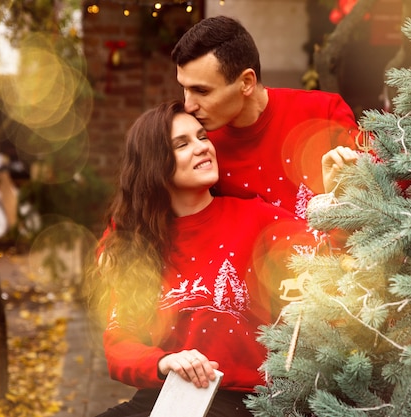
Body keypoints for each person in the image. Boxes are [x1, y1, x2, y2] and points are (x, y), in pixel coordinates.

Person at [87, 100, 319, 417]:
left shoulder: (258, 220)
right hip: (165, 395)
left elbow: (329, 256)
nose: (201, 148)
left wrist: (339, 184)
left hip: (243, 401)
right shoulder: (135, 245)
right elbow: (119, 344)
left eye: (202, 137)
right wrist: (162, 361)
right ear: (156, 163)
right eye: (182, 144)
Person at [170, 15, 359, 219]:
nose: (188, 105)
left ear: (246, 82)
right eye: (185, 89)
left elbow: (383, 194)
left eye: (202, 91)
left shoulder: (324, 111)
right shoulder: (203, 149)